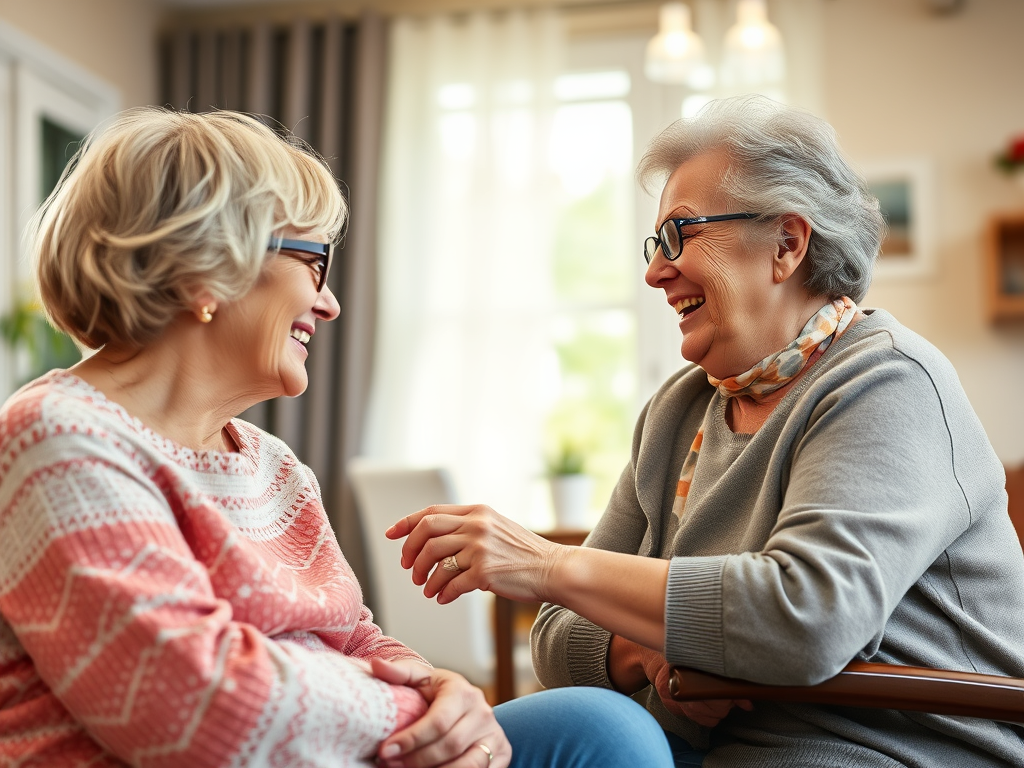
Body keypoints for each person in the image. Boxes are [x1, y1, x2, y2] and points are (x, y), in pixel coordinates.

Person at [388, 96, 1024, 767]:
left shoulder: (888, 381)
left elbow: (806, 618)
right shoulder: (679, 411)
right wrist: (652, 644)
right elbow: (555, 638)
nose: (656, 271)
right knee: (550, 733)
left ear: (787, 244)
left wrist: (546, 563)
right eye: (656, 243)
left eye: (680, 234)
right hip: (709, 749)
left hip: (883, 749)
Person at [0, 108, 513, 768]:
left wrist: (448, 693)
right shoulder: (58, 439)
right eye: (314, 262)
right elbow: (201, 704)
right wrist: (426, 717)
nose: (329, 305)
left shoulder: (274, 465)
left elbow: (350, 635)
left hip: (337, 749)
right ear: (204, 269)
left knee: (590, 724)